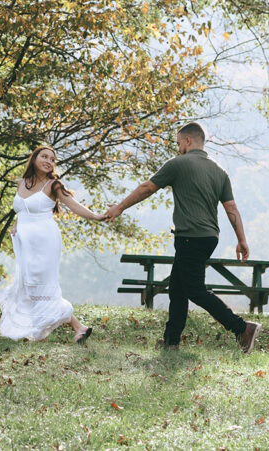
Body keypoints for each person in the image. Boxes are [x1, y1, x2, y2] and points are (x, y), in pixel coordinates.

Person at [104, 122, 260, 352]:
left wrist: (119, 208)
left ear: (188, 141)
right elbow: (231, 208)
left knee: (195, 290)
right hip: (209, 237)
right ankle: (171, 342)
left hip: (190, 237)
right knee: (178, 288)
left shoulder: (178, 164)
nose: (178, 148)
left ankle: (241, 328)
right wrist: (242, 239)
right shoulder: (219, 171)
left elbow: (148, 187)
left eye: (178, 143)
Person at [0, 145, 101, 344]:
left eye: (52, 159)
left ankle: (44, 332)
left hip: (45, 241)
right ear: (34, 158)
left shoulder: (54, 185)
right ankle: (77, 328)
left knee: (42, 286)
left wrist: (97, 216)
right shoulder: (22, 182)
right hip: (25, 242)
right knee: (29, 285)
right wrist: (17, 224)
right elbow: (22, 209)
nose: (48, 161)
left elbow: (73, 205)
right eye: (44, 156)